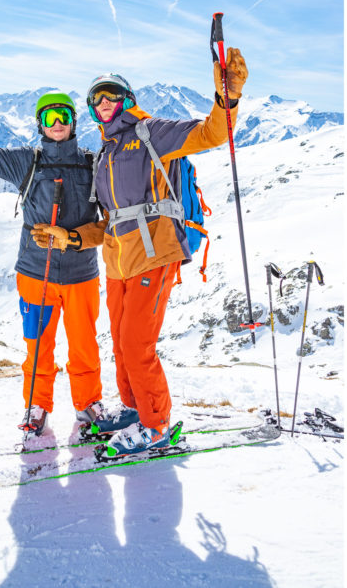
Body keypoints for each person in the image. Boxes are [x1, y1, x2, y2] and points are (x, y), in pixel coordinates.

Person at [33, 48, 247, 458]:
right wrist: (69, 238)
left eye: (110, 96)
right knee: (120, 342)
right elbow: (110, 222)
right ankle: (134, 409)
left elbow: (212, 134)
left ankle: (156, 426)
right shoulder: (106, 154)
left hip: (155, 255)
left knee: (137, 345)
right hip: (118, 263)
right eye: (96, 100)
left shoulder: (153, 132)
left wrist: (228, 97)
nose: (103, 104)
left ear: (127, 99)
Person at [0, 81, 103, 435]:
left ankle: (87, 404)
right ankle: (37, 405)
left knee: (84, 346)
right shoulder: (27, 162)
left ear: (74, 121)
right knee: (38, 345)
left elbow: (110, 217)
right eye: (49, 116)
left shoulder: (93, 164)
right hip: (34, 274)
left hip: (81, 274)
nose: (57, 122)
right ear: (40, 123)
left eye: (64, 115)